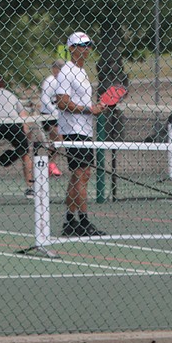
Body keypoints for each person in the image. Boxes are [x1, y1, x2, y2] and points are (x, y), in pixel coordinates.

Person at [55, 31, 111, 238]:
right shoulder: (66, 72)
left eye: (89, 45)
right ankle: (84, 222)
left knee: (81, 175)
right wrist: (89, 110)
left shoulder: (82, 72)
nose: (87, 49)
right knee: (81, 176)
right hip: (73, 131)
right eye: (82, 45)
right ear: (71, 48)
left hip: (85, 130)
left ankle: (70, 222)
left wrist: (95, 108)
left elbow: (82, 104)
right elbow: (62, 102)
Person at [39, 59, 65, 177]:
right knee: (58, 139)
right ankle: (49, 164)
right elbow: (45, 99)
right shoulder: (49, 81)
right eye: (58, 68)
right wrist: (55, 112)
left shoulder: (62, 81)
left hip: (57, 116)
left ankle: (50, 165)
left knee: (55, 142)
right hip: (48, 116)